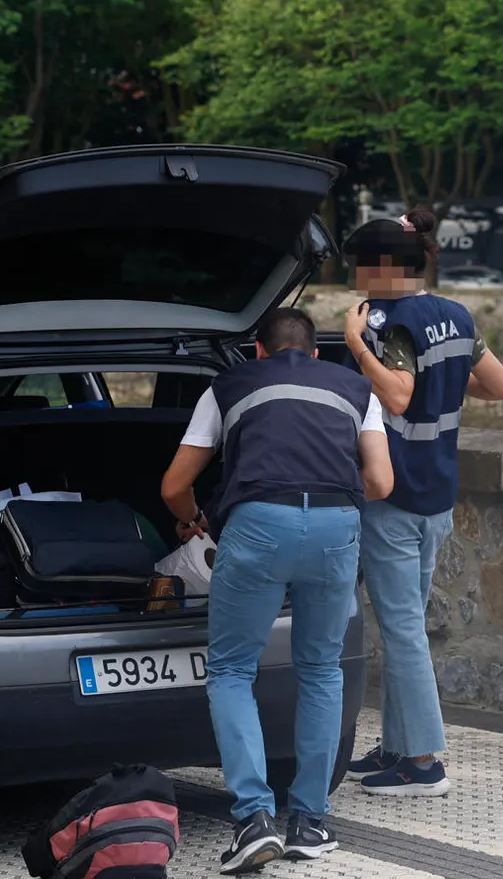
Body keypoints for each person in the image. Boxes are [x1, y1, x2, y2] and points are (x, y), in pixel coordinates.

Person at [161, 307, 393, 875]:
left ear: (258, 352)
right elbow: (382, 482)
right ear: (315, 354)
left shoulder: (229, 385)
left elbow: (174, 486)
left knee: (234, 670)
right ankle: (310, 822)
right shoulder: (356, 388)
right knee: (320, 668)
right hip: (338, 526)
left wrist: (194, 522)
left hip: (259, 526)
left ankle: (253, 819)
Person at [338, 209, 503, 796]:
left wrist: (356, 347)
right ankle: (394, 747)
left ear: (386, 266)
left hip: (394, 497)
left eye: (361, 267)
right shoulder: (458, 316)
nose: (357, 281)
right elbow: (500, 385)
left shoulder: (390, 320)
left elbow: (396, 392)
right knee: (404, 625)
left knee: (402, 629)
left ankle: (422, 762)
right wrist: (449, 378)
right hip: (438, 494)